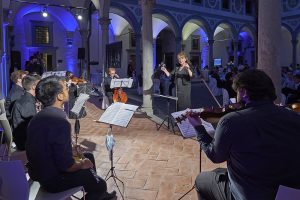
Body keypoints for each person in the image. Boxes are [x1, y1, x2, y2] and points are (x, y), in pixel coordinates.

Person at [187, 69, 300, 200]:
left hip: (252, 194)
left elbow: (215, 155)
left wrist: (198, 127)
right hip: (289, 194)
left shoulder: (231, 121)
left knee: (202, 180)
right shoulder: (293, 116)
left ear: (244, 92)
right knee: (218, 173)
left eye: (237, 92)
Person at [26, 76, 117, 200]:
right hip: (53, 180)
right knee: (101, 184)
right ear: (60, 96)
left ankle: (98, 191)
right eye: (65, 88)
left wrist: (70, 151)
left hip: (40, 172)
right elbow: (67, 166)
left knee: (88, 156)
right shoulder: (59, 121)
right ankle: (98, 190)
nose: (68, 90)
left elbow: (47, 146)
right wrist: (81, 165)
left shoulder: (37, 118)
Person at [11, 74, 41, 150]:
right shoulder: (27, 101)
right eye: (39, 84)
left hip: (22, 135)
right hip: (24, 140)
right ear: (33, 87)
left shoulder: (26, 98)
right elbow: (32, 124)